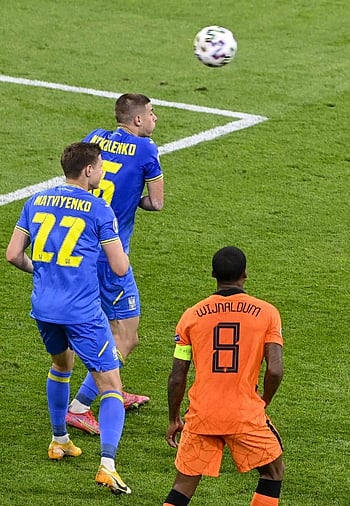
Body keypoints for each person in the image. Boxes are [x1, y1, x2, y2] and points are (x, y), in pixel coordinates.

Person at [6, 142, 134, 494]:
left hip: (44, 307)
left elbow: (13, 254)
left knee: (61, 366)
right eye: (101, 166)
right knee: (110, 385)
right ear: (89, 170)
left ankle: (59, 439)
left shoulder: (35, 200)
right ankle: (107, 465)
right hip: (81, 310)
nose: (103, 171)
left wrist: (41, 272)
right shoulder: (97, 208)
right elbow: (120, 267)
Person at [67, 93, 164, 435]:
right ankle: (79, 406)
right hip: (111, 256)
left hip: (81, 249)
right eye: (152, 113)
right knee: (127, 336)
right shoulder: (147, 150)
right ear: (137, 120)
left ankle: (114, 389)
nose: (155, 119)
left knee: (106, 327)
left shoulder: (94, 138)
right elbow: (156, 202)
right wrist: (129, 199)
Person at [164, 246, 285, 506]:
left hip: (202, 415)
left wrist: (174, 418)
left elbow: (177, 376)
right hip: (244, 414)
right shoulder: (267, 313)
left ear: (213, 274)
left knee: (183, 487)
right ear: (245, 274)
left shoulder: (191, 316)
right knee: (272, 472)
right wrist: (263, 401)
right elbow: (275, 370)